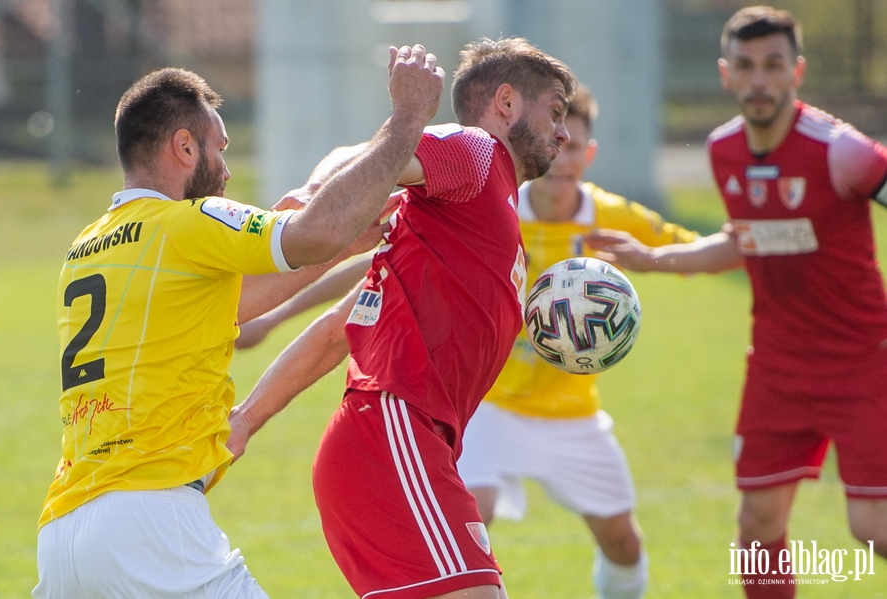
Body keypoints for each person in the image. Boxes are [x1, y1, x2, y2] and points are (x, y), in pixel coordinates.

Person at [232, 85, 698, 599]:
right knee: (476, 540)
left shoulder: (601, 215)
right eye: (555, 124)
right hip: (438, 419)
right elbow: (377, 249)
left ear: (589, 155)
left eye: (572, 139)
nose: (562, 144)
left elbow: (688, 247)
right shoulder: (477, 171)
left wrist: (649, 258)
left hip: (546, 415)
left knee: (621, 542)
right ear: (508, 105)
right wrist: (279, 294)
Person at [34, 45, 444, 599]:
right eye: (219, 149)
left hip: (64, 532)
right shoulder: (188, 220)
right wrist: (408, 119)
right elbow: (311, 233)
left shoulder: (87, 247)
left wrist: (347, 241)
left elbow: (232, 301)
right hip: (151, 521)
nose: (227, 169)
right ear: (184, 146)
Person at [229, 37, 577, 599]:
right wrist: (316, 193)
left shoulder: (471, 214)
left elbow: (338, 330)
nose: (564, 132)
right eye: (555, 112)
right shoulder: (477, 153)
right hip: (393, 434)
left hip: (400, 443)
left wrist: (247, 417)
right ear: (506, 104)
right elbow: (363, 154)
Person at [588, 6, 887, 597]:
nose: (759, 80)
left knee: (872, 528)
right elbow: (744, 238)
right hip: (776, 367)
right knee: (756, 527)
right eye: (746, 66)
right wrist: (654, 259)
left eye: (773, 65)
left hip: (863, 364)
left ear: (796, 71)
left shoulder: (841, 153)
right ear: (726, 75)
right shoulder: (723, 150)